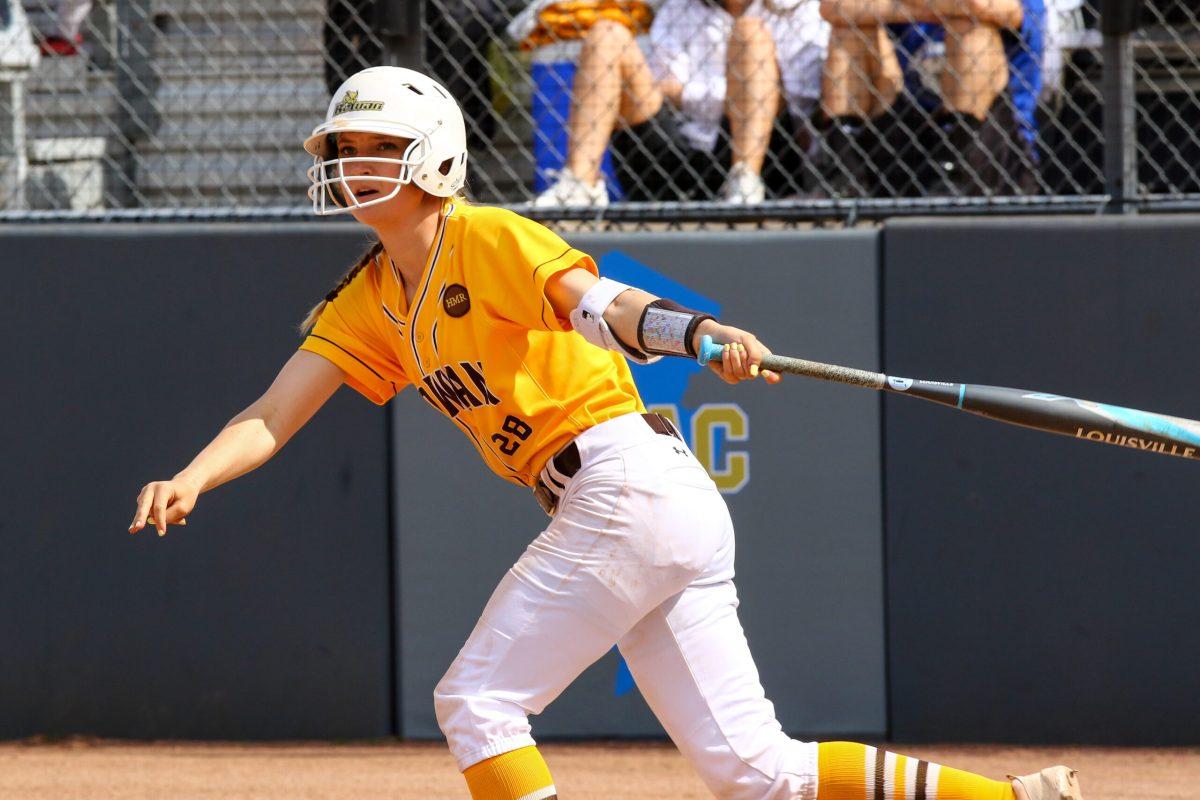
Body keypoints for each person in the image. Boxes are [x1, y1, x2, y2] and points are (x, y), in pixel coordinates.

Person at [129, 66, 1084, 800]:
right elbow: (271, 412)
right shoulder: (370, 301)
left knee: (476, 704)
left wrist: (696, 333)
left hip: (625, 484)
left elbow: (598, 304)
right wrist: (193, 476)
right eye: (343, 146)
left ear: (432, 159)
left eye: (374, 144)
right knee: (755, 769)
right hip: (644, 500)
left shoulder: (487, 235)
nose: (347, 162)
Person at [532, 0, 824, 206]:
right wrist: (742, 94)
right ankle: (580, 184)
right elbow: (660, 87)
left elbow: (800, 96)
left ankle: (744, 183)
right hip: (678, 146)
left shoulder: (798, 8)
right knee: (606, 34)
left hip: (763, 155)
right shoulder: (679, 9)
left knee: (750, 35)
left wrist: (687, 93)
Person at [813, 0, 1043, 197]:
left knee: (970, 24)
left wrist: (894, 7)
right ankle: (842, 172)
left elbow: (981, 5)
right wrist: (940, 8)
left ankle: (955, 173)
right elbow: (833, 6)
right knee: (850, 30)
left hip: (989, 140)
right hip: (908, 135)